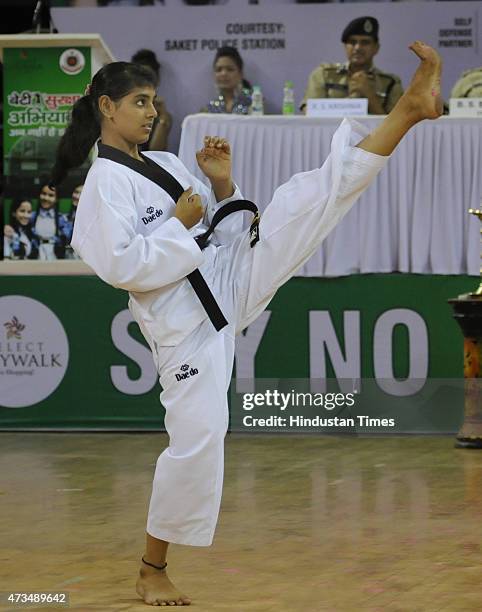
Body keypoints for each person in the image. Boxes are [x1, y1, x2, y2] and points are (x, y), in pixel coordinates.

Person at [50, 42, 443, 606]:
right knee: (200, 439)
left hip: (225, 274)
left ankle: (408, 109)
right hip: (187, 328)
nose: (151, 112)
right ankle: (150, 567)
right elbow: (123, 269)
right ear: (107, 108)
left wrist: (222, 185)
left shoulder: (163, 164)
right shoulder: (101, 189)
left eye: (154, 102)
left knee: (309, 201)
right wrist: (182, 224)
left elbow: (211, 225)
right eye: (139, 102)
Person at [300, 16, 404, 115]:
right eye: (352, 42)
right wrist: (348, 106)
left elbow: (397, 126)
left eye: (365, 42)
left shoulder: (390, 83)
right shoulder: (324, 74)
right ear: (345, 46)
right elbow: (309, 113)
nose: (358, 47)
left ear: (376, 48)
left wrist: (370, 96)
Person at [131, 49, 172, 151]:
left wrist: (162, 119)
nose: (144, 83)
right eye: (140, 77)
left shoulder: (163, 115)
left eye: (149, 77)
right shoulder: (126, 109)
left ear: (157, 80)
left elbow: (156, 151)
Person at [202, 46, 252, 114]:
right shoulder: (208, 109)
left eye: (230, 69)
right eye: (219, 70)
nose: (224, 74)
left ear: (241, 74)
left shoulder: (254, 104)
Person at [31, 183, 65, 260]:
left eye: (51, 195)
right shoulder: (32, 216)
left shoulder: (61, 219)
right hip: (36, 254)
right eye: (44, 194)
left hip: (54, 254)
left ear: (56, 199)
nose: (46, 198)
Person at [61, 184, 83, 259]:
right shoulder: (65, 217)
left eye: (81, 194)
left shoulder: (92, 220)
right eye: (76, 192)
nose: (77, 196)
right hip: (68, 255)